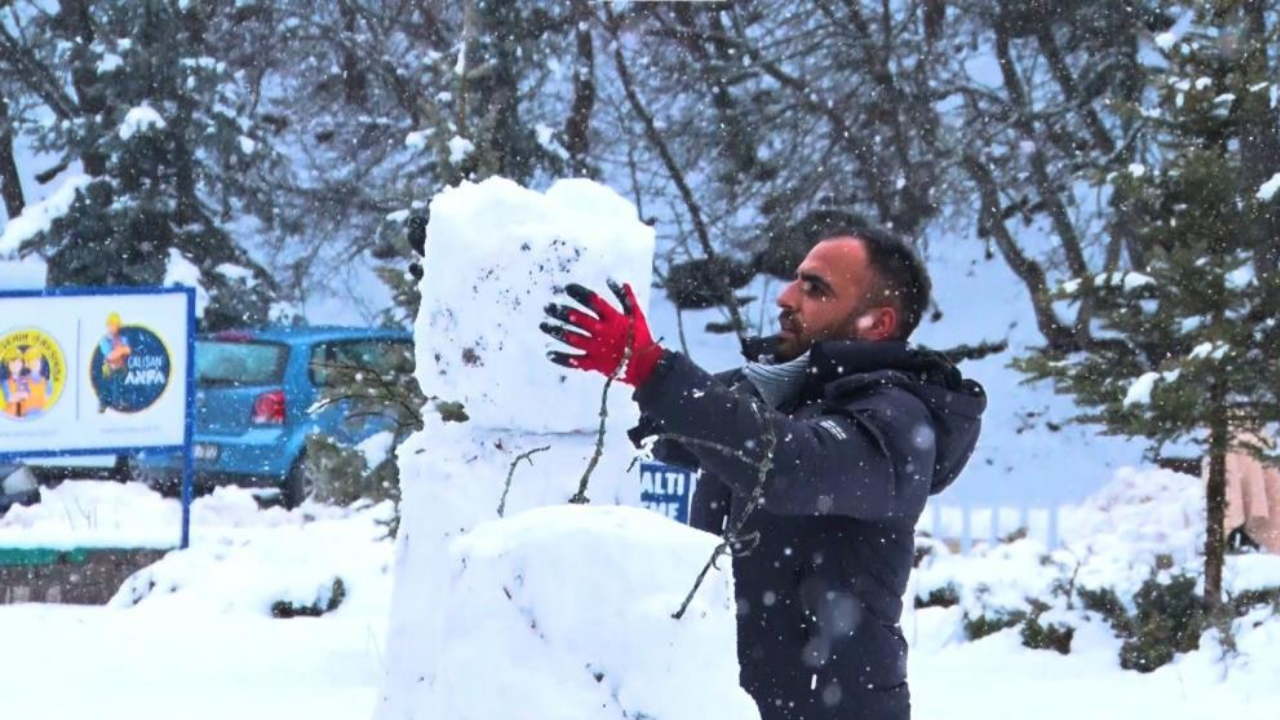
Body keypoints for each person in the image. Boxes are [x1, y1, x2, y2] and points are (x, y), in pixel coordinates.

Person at [541, 226, 986, 720]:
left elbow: (791, 467)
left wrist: (651, 368)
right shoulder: (768, 394)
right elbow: (650, 425)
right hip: (725, 703)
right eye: (796, 280)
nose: (785, 296)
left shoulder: (898, 421)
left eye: (815, 289)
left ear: (877, 323)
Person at [99, 312, 131, 413]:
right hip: (109, 367)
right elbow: (110, 355)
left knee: (120, 385)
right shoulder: (104, 340)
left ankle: (119, 402)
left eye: (116, 325)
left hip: (121, 367)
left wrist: (119, 351)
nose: (114, 327)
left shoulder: (122, 338)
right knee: (106, 386)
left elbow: (128, 350)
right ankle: (103, 405)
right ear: (108, 326)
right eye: (112, 325)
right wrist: (120, 350)